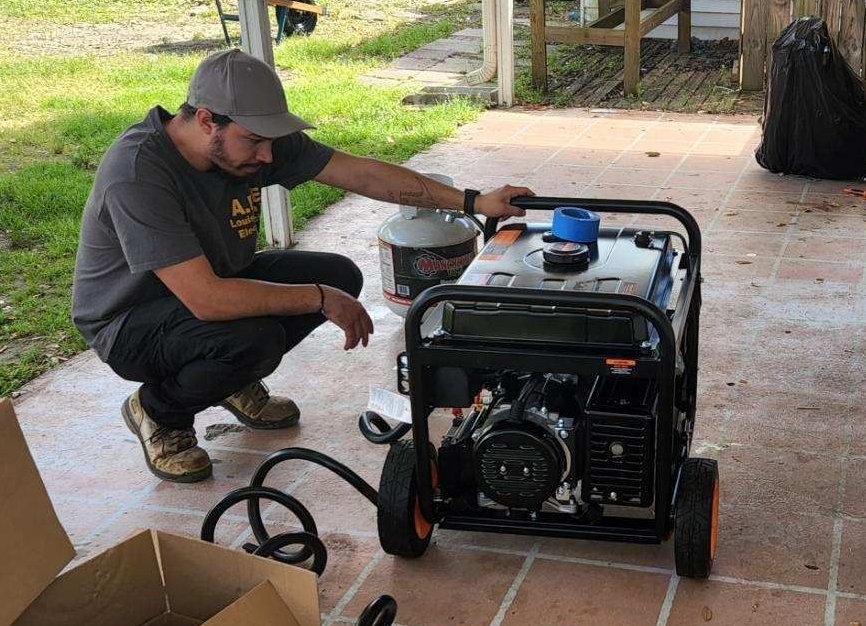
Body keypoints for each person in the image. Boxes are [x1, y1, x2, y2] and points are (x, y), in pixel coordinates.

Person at [72, 49, 532, 482]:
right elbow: (207, 299)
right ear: (207, 120)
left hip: (206, 289)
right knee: (259, 336)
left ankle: (229, 380)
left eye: (271, 141)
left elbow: (362, 173)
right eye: (254, 142)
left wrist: (473, 200)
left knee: (339, 276)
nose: (268, 157)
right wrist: (317, 299)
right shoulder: (138, 173)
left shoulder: (249, 141)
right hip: (130, 321)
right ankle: (158, 410)